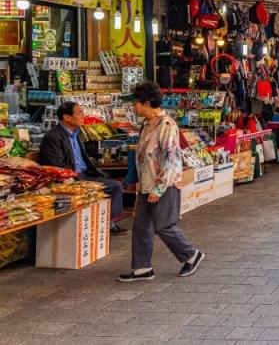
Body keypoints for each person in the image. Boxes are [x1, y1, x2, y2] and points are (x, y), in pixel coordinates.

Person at [117, 82, 202, 282]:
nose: (133, 107)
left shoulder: (166, 125)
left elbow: (171, 159)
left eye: (136, 103)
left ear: (147, 103)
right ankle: (141, 268)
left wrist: (159, 187)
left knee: (164, 225)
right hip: (146, 185)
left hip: (163, 185)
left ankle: (191, 254)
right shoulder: (146, 125)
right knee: (140, 226)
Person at [39, 101, 126, 234]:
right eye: (79, 113)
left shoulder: (77, 133)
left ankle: (108, 222)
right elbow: (55, 165)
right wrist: (76, 178)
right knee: (112, 186)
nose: (83, 116)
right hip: (71, 179)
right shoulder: (53, 137)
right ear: (67, 117)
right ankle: (106, 224)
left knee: (115, 185)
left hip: (85, 174)